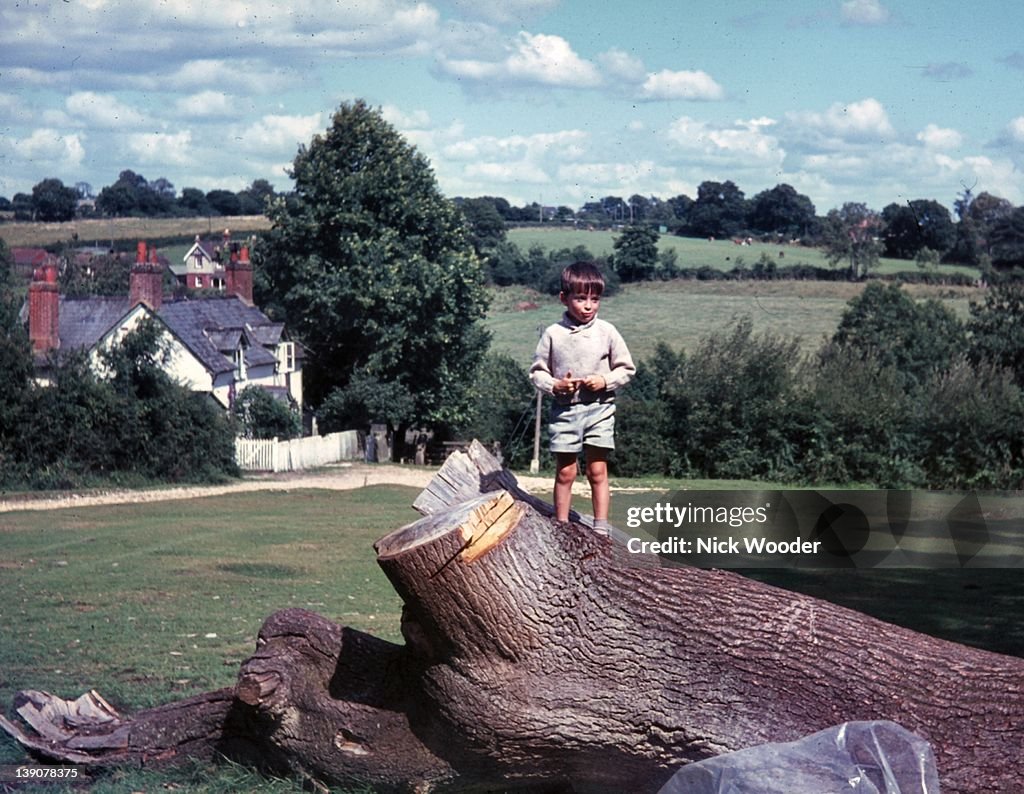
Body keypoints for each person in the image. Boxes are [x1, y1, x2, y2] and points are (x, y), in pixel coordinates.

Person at [529, 262, 635, 533]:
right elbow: (537, 373)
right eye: (581, 298)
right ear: (564, 298)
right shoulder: (553, 334)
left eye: (595, 299)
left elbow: (626, 369)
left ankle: (601, 529)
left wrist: (604, 381)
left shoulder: (607, 332)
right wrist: (556, 386)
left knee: (597, 471)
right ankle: (561, 527)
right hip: (565, 413)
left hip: (600, 410)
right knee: (566, 472)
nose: (588, 306)